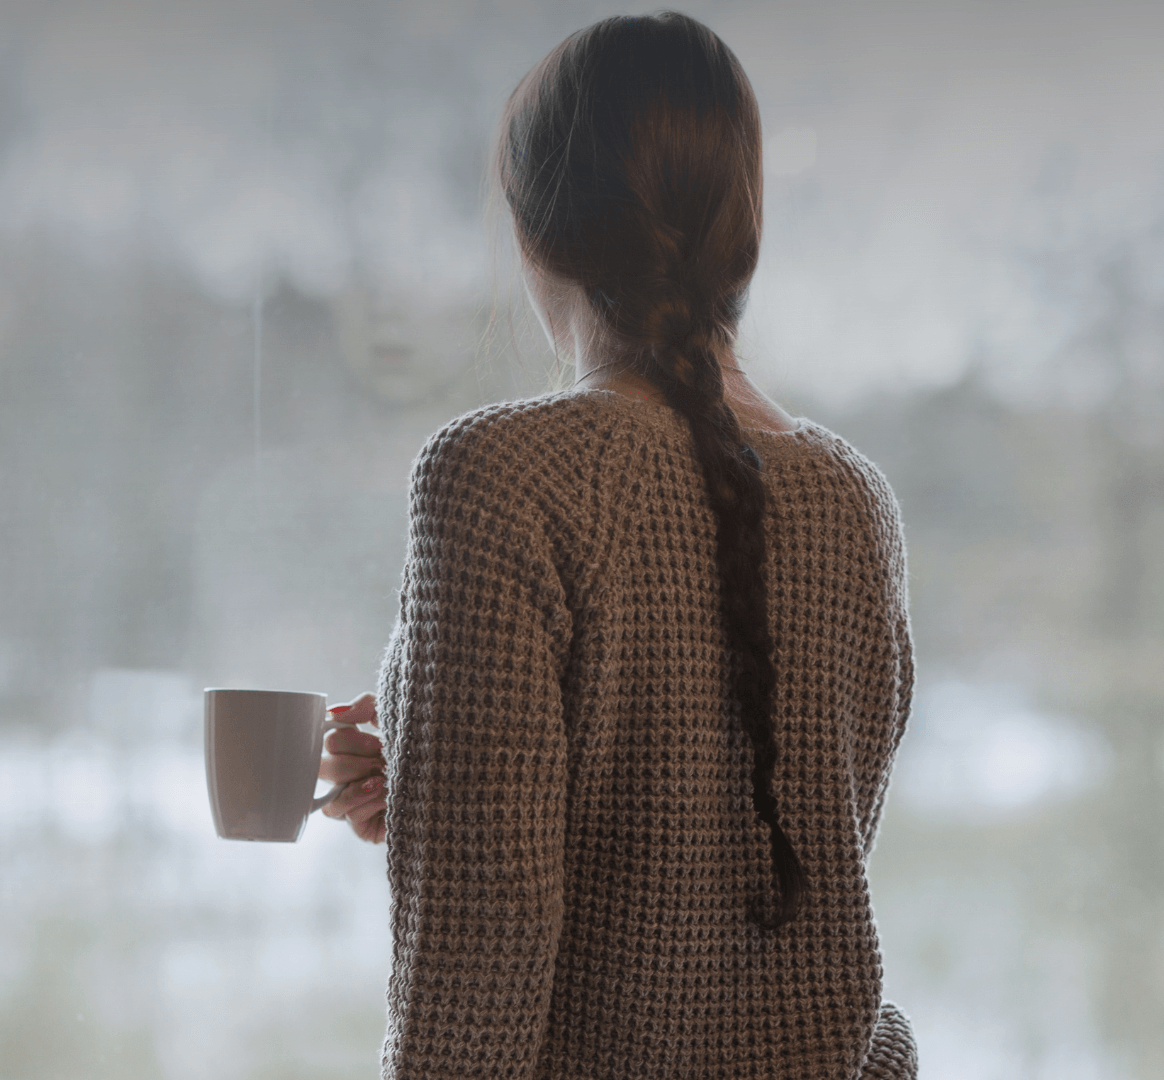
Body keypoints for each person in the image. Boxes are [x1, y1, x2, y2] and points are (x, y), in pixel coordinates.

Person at [318, 12, 916, 1078]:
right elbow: (751, 855)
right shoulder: (854, 504)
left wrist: (462, 816)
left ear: (537, 233)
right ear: (745, 228)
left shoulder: (502, 476)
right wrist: (434, 786)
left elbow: (476, 976)